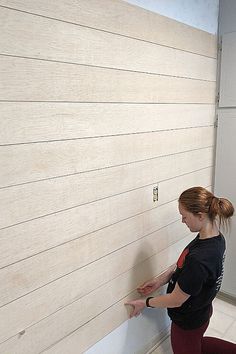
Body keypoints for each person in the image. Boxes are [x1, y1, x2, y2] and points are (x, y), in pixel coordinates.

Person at [125, 186, 236, 354]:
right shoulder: (215, 238)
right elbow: (182, 265)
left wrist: (145, 303)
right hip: (202, 312)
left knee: (189, 345)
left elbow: (176, 300)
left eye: (184, 216)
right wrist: (159, 281)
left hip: (188, 322)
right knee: (196, 343)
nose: (182, 221)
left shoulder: (200, 259)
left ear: (200, 215)